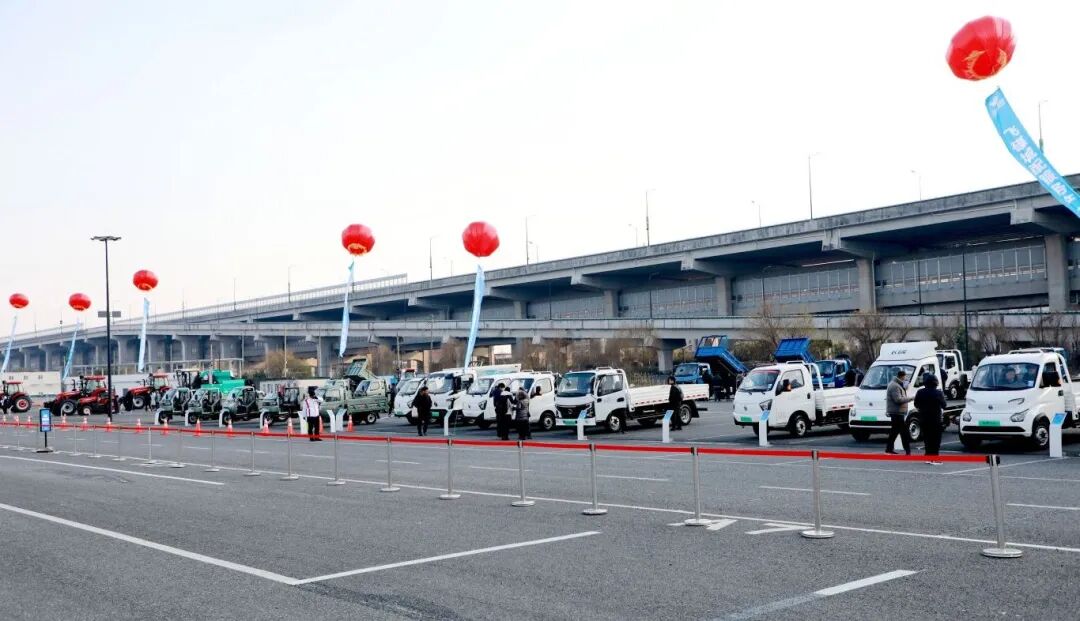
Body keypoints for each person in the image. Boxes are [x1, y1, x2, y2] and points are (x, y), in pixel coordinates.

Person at [914, 373, 946, 465]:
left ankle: (928, 457)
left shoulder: (920, 392)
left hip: (924, 418)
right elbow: (944, 405)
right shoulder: (938, 393)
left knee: (927, 439)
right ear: (935, 383)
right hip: (935, 419)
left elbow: (916, 404)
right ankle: (934, 458)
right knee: (936, 439)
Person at [885, 369, 914, 455]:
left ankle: (889, 449)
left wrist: (905, 386)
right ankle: (907, 451)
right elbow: (898, 399)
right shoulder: (895, 386)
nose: (905, 379)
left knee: (894, 431)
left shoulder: (897, 384)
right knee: (904, 432)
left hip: (897, 412)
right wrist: (911, 398)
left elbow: (901, 393)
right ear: (901, 376)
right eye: (905, 377)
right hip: (897, 412)